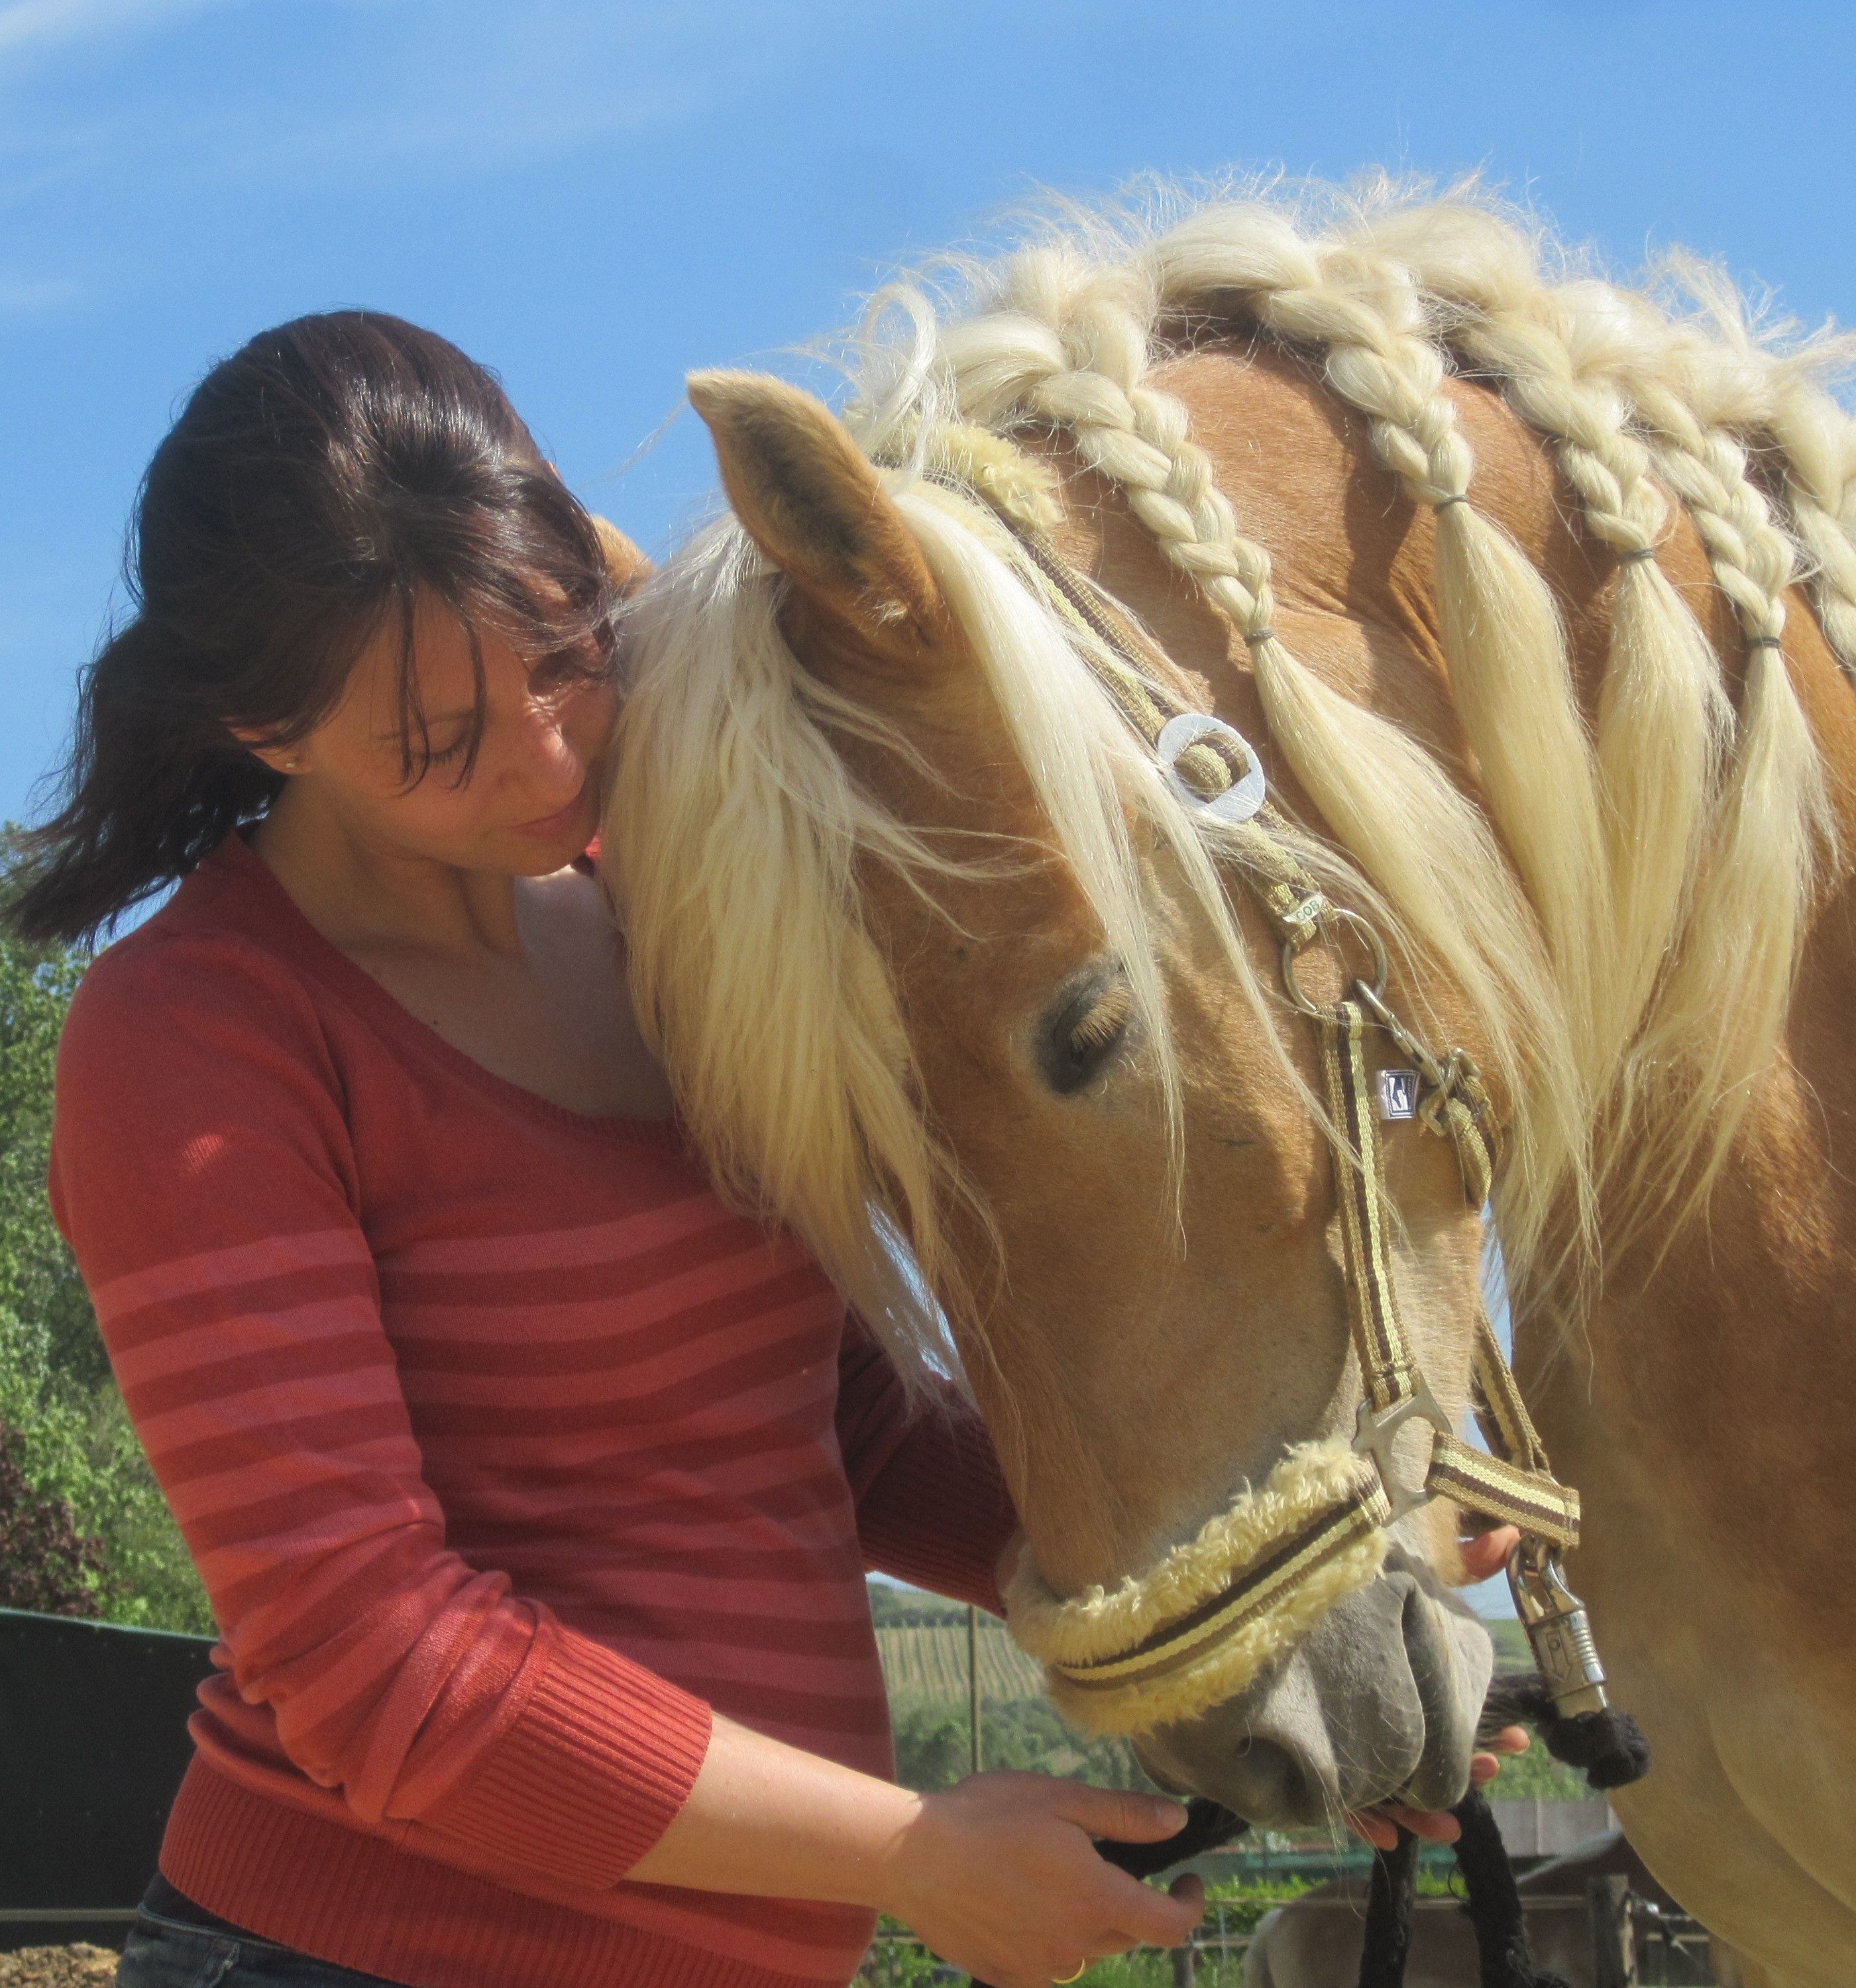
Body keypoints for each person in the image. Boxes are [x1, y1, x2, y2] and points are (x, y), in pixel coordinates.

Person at [11, 310, 1519, 1988]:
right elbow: (371, 1668)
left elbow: (834, 1430)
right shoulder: (197, 1041)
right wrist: (907, 1854)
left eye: (565, 656)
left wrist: (1289, 1589)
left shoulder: (659, 915)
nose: (551, 757)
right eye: (437, 744)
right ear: (268, 733)